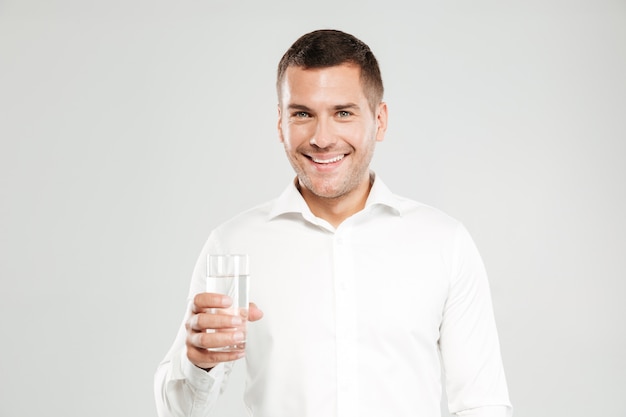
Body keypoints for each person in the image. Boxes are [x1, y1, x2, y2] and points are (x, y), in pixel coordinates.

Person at [154, 29, 513, 417]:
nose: (322, 138)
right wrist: (199, 363)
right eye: (303, 114)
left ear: (379, 119)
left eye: (343, 113)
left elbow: (483, 405)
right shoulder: (232, 245)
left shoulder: (445, 243)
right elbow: (178, 411)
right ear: (280, 124)